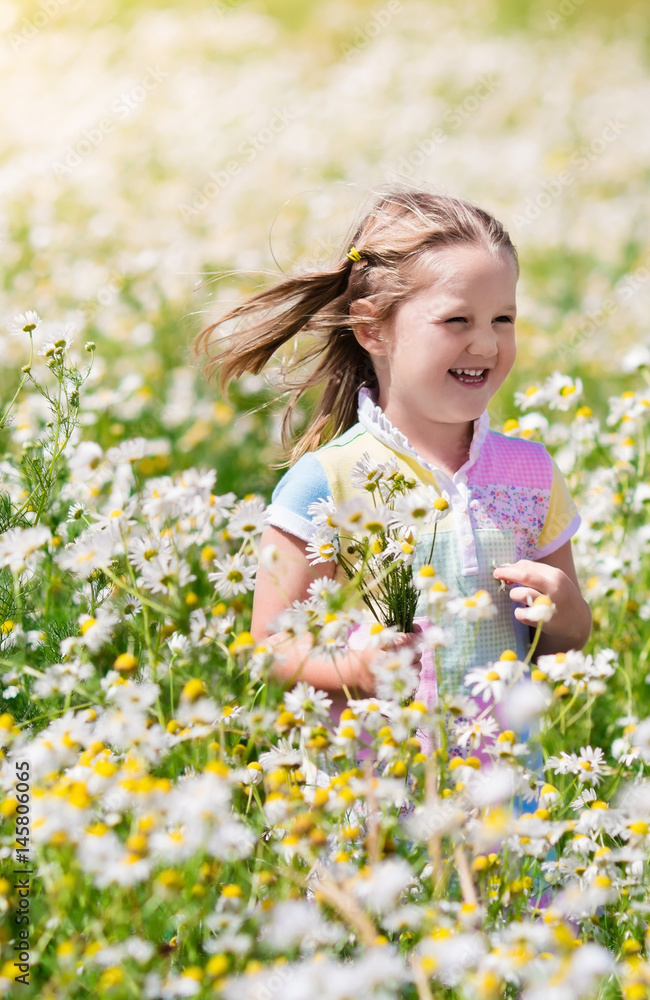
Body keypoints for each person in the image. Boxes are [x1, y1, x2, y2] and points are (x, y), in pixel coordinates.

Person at [195, 189, 592, 729]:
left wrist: (567, 616)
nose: (486, 344)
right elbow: (271, 644)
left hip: (503, 787)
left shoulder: (532, 473)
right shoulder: (325, 482)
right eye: (457, 321)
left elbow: (560, 644)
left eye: (503, 318)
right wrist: (352, 669)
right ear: (371, 329)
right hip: (374, 789)